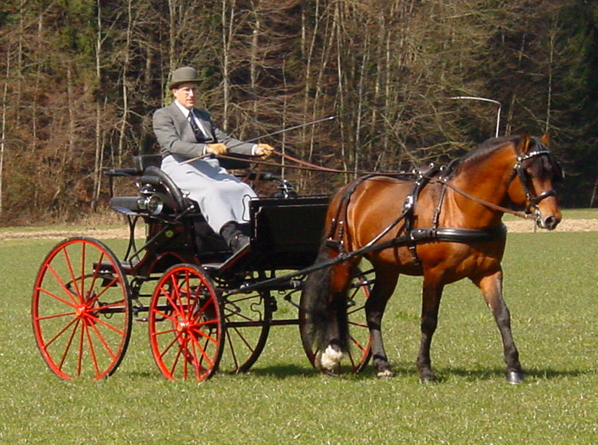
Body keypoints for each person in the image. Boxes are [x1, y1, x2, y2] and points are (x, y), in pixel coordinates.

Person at [153, 66, 274, 252]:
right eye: (186, 90)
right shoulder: (163, 115)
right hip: (179, 165)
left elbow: (225, 141)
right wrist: (206, 148)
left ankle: (254, 233)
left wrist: (254, 149)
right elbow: (172, 145)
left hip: (208, 166)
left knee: (241, 188)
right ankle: (233, 237)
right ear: (174, 92)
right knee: (211, 191)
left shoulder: (203, 116)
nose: (191, 94)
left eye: (194, 90)